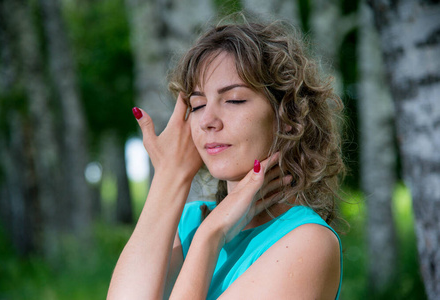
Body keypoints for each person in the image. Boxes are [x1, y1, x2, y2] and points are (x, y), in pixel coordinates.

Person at [107, 16, 345, 300]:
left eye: (234, 100)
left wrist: (208, 240)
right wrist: (170, 177)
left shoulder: (308, 243)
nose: (208, 120)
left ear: (289, 118)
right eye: (197, 104)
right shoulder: (187, 223)